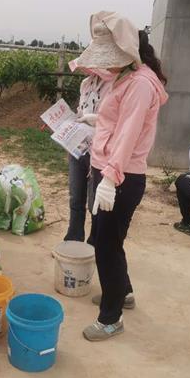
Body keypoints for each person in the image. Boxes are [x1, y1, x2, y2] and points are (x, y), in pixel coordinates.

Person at [75, 12, 168, 342]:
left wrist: (110, 179)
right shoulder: (127, 76)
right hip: (110, 171)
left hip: (120, 176)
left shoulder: (140, 84)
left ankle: (111, 317)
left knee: (106, 246)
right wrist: (95, 118)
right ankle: (122, 293)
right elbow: (118, 119)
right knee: (106, 242)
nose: (106, 66)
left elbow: (129, 134)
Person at [63, 60, 114, 243]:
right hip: (79, 146)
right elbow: (80, 113)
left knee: (95, 200)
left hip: (100, 150)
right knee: (76, 196)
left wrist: (95, 119)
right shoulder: (85, 84)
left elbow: (116, 119)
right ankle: (74, 237)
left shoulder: (114, 84)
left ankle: (95, 240)